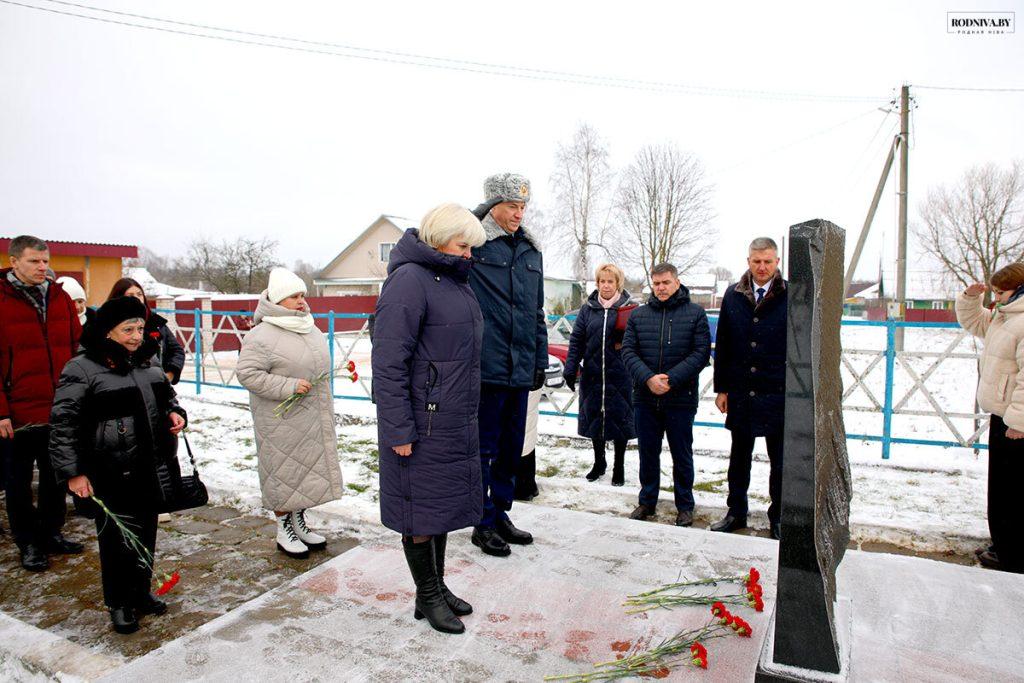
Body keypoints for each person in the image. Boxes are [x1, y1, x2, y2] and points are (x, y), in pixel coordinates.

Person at [373, 203, 487, 635]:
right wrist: (399, 428)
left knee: (436, 509)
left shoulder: (452, 280)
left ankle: (434, 588)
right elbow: (388, 363)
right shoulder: (408, 282)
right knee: (418, 511)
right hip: (421, 423)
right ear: (439, 240)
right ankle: (427, 594)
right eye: (463, 246)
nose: (469, 255)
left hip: (450, 417)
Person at [48, 296, 187, 634]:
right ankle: (119, 602)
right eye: (128, 329)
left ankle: (140, 593)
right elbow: (63, 423)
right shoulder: (82, 368)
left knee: (146, 531)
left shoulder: (147, 361)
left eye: (140, 328)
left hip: (150, 463)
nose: (137, 335)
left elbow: (167, 396)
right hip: (109, 468)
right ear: (108, 331)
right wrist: (73, 472)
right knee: (115, 541)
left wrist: (175, 413)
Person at [236, 267, 344, 559]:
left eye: (302, 296)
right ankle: (284, 526)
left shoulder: (308, 327)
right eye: (294, 297)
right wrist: (287, 386)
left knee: (305, 472)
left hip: (310, 414)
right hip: (280, 418)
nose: (301, 301)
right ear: (277, 300)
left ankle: (299, 522)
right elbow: (247, 374)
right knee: (284, 473)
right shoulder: (261, 335)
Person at [466, 173, 548, 556]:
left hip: (520, 367)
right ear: (493, 205)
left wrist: (539, 360)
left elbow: (536, 313)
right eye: (512, 206)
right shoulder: (474, 243)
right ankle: (481, 522)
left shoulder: (531, 251)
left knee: (512, 448)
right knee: (484, 449)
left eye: (523, 207)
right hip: (485, 367)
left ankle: (500, 512)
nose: (519, 214)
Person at [0, 235, 84, 571]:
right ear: (15, 261)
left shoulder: (60, 297)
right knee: (18, 483)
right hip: (18, 412)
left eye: (46, 261)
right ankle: (29, 543)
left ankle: (51, 533)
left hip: (59, 408)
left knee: (56, 476)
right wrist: (1, 411)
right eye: (35, 261)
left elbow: (79, 347)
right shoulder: (2, 300)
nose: (42, 267)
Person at [621, 263, 711, 526]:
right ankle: (647, 501)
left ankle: (685, 505)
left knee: (681, 454)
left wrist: (671, 379)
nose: (661, 288)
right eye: (656, 283)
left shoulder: (695, 314)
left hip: (680, 398)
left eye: (666, 283)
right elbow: (628, 351)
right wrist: (648, 378)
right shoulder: (639, 315)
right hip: (646, 398)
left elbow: (701, 353)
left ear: (676, 282)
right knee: (647, 452)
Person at [710, 238, 788, 540]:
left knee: (779, 461)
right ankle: (735, 512)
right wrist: (722, 389)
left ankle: (778, 516)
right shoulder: (733, 295)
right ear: (748, 261)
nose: (762, 267)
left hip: (776, 390)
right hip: (742, 390)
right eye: (757, 261)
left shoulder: (789, 294)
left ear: (777, 262)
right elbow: (725, 344)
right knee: (739, 457)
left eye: (768, 261)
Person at [956, 263, 1024, 574]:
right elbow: (975, 322)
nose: (995, 298)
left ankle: (1013, 554)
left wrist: (1019, 422)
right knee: (1001, 487)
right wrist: (971, 298)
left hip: (1016, 422)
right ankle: (1004, 543)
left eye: (1001, 292)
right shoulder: (1006, 316)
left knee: (1013, 489)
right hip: (1003, 415)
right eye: (993, 292)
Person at [563, 263, 636, 485]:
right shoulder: (588, 309)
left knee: (620, 419)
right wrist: (570, 367)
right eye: (602, 281)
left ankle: (619, 466)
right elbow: (576, 340)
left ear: (618, 283)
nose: (606, 285)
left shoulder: (629, 308)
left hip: (620, 375)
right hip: (593, 374)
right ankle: (599, 462)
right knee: (596, 417)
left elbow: (637, 340)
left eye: (610, 281)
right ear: (597, 284)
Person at [107, 278, 185, 384]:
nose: (137, 299)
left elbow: (177, 351)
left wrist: (170, 374)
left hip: (156, 386)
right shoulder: (108, 324)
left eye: (139, 294)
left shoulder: (156, 323)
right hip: (121, 386)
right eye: (130, 295)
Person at [514, 389, 542, 501]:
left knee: (523, 431)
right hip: (531, 382)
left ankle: (523, 486)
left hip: (521, 385)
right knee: (528, 430)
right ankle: (528, 483)